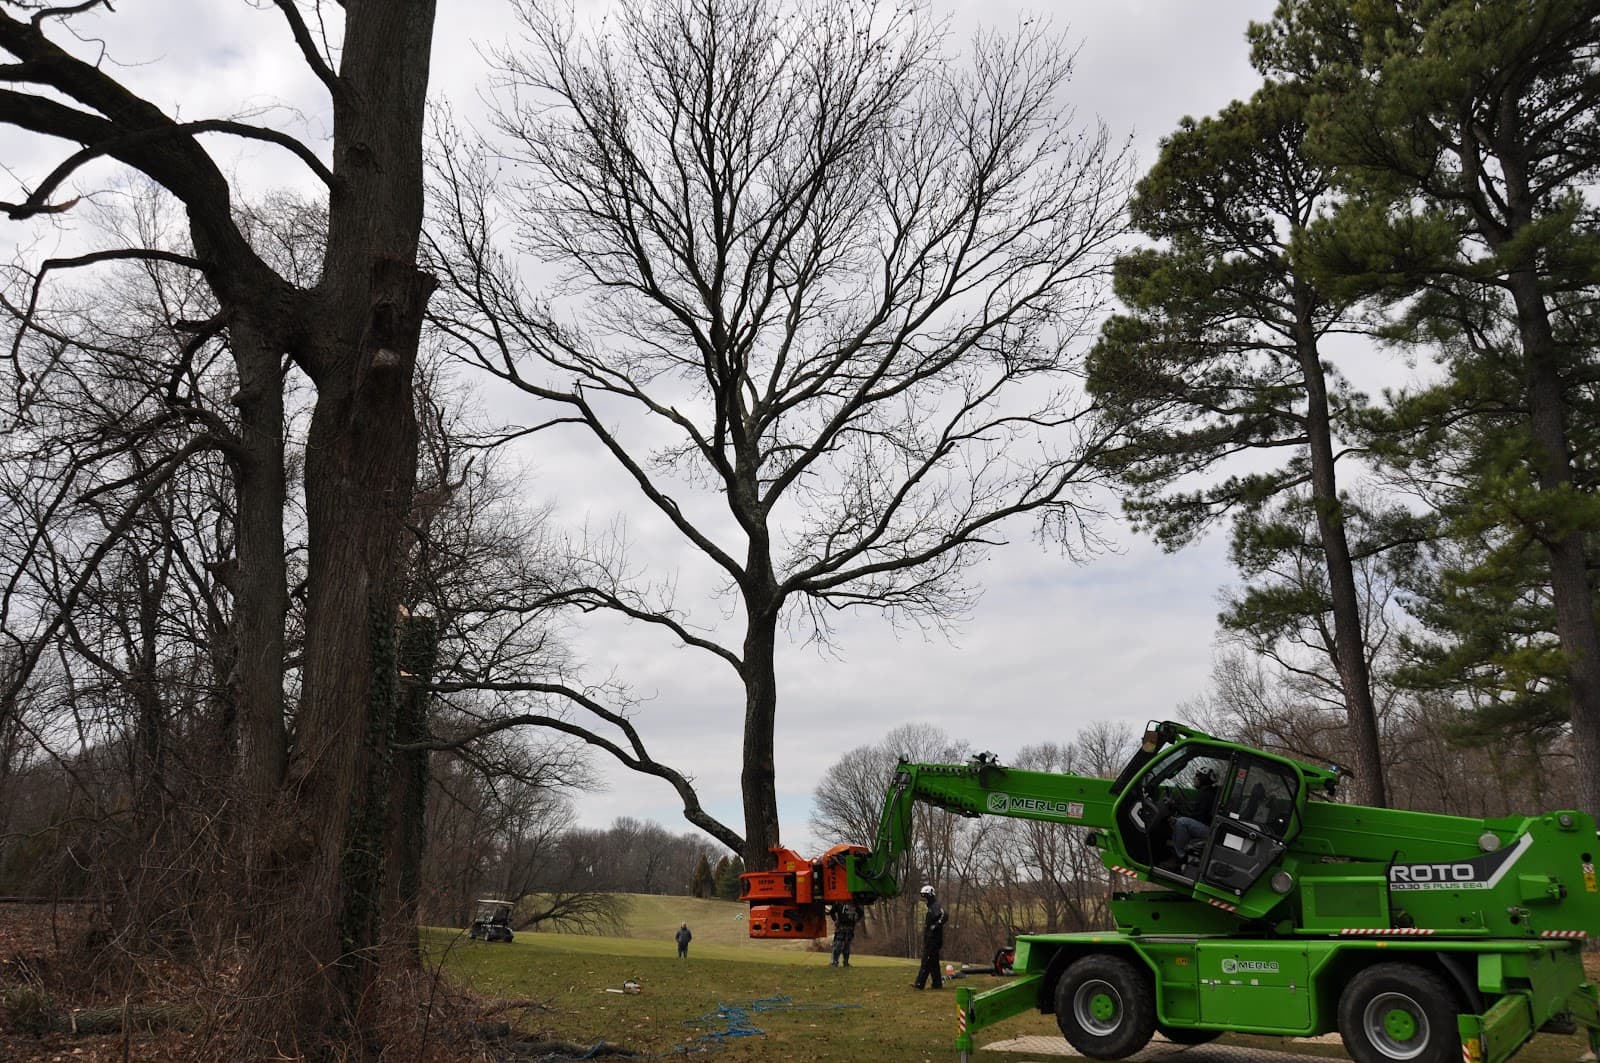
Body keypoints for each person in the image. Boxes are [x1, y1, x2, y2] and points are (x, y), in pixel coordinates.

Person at [1170, 767, 1221, 864]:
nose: (1194, 778)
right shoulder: (1207, 792)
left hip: (1209, 830)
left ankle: (1181, 857)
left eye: (1197, 776)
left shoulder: (1207, 794)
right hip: (1208, 827)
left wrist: (1177, 810)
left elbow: (1197, 816)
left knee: (1182, 822)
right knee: (1180, 820)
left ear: (1203, 779)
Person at [912, 885, 946, 989]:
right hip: (931, 939)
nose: (924, 900)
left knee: (926, 961)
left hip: (933, 940)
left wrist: (935, 926)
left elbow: (944, 915)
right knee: (933, 962)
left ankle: (919, 984)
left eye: (925, 897)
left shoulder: (935, 906)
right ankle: (937, 983)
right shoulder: (932, 907)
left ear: (930, 896)